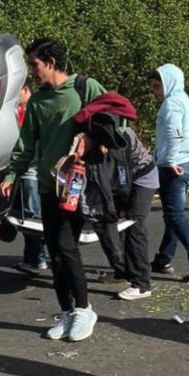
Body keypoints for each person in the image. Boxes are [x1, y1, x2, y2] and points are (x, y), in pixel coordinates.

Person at [0, 38, 106, 342]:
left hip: (78, 186)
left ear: (51, 62)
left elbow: (118, 121)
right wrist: (11, 175)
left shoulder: (84, 88)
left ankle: (84, 309)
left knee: (65, 248)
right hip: (49, 186)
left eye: (34, 64)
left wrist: (91, 138)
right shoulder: (37, 101)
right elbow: (26, 144)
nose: (32, 72)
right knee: (57, 252)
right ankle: (67, 311)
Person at [72, 93, 159, 301]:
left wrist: (121, 204)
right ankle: (124, 271)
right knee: (119, 224)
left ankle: (141, 283)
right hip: (129, 178)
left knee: (134, 225)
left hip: (143, 177)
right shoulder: (104, 134)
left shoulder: (120, 137)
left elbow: (122, 176)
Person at [149, 64, 189, 283]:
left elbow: (174, 132)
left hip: (173, 165)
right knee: (173, 212)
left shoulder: (171, 104)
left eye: (157, 86)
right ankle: (163, 258)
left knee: (173, 214)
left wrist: (169, 159)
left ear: (169, 83)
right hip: (188, 164)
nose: (156, 92)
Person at [12, 78, 49, 276]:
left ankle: (36, 259)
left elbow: (27, 144)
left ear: (25, 90)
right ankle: (32, 257)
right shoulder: (35, 109)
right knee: (32, 215)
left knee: (31, 217)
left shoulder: (29, 112)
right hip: (35, 171)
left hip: (31, 171)